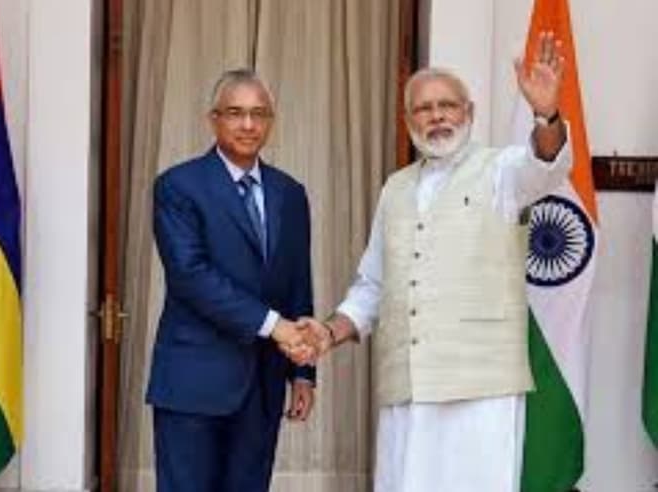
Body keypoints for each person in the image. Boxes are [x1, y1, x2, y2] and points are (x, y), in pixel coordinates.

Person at [299, 32, 572, 491]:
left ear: (470, 113)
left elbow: (545, 166)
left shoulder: (501, 170)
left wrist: (546, 115)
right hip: (409, 387)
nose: (437, 115)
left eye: (448, 105)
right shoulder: (395, 188)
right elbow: (373, 285)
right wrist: (328, 333)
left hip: (481, 388)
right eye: (424, 108)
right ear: (408, 120)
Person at [146, 68, 317, 492]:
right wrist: (274, 326)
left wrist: (303, 371)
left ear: (271, 121)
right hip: (193, 382)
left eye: (259, 114)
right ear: (214, 119)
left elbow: (298, 282)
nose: (248, 124)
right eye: (236, 113)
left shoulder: (290, 193)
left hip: (263, 384)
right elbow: (191, 276)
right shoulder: (178, 186)